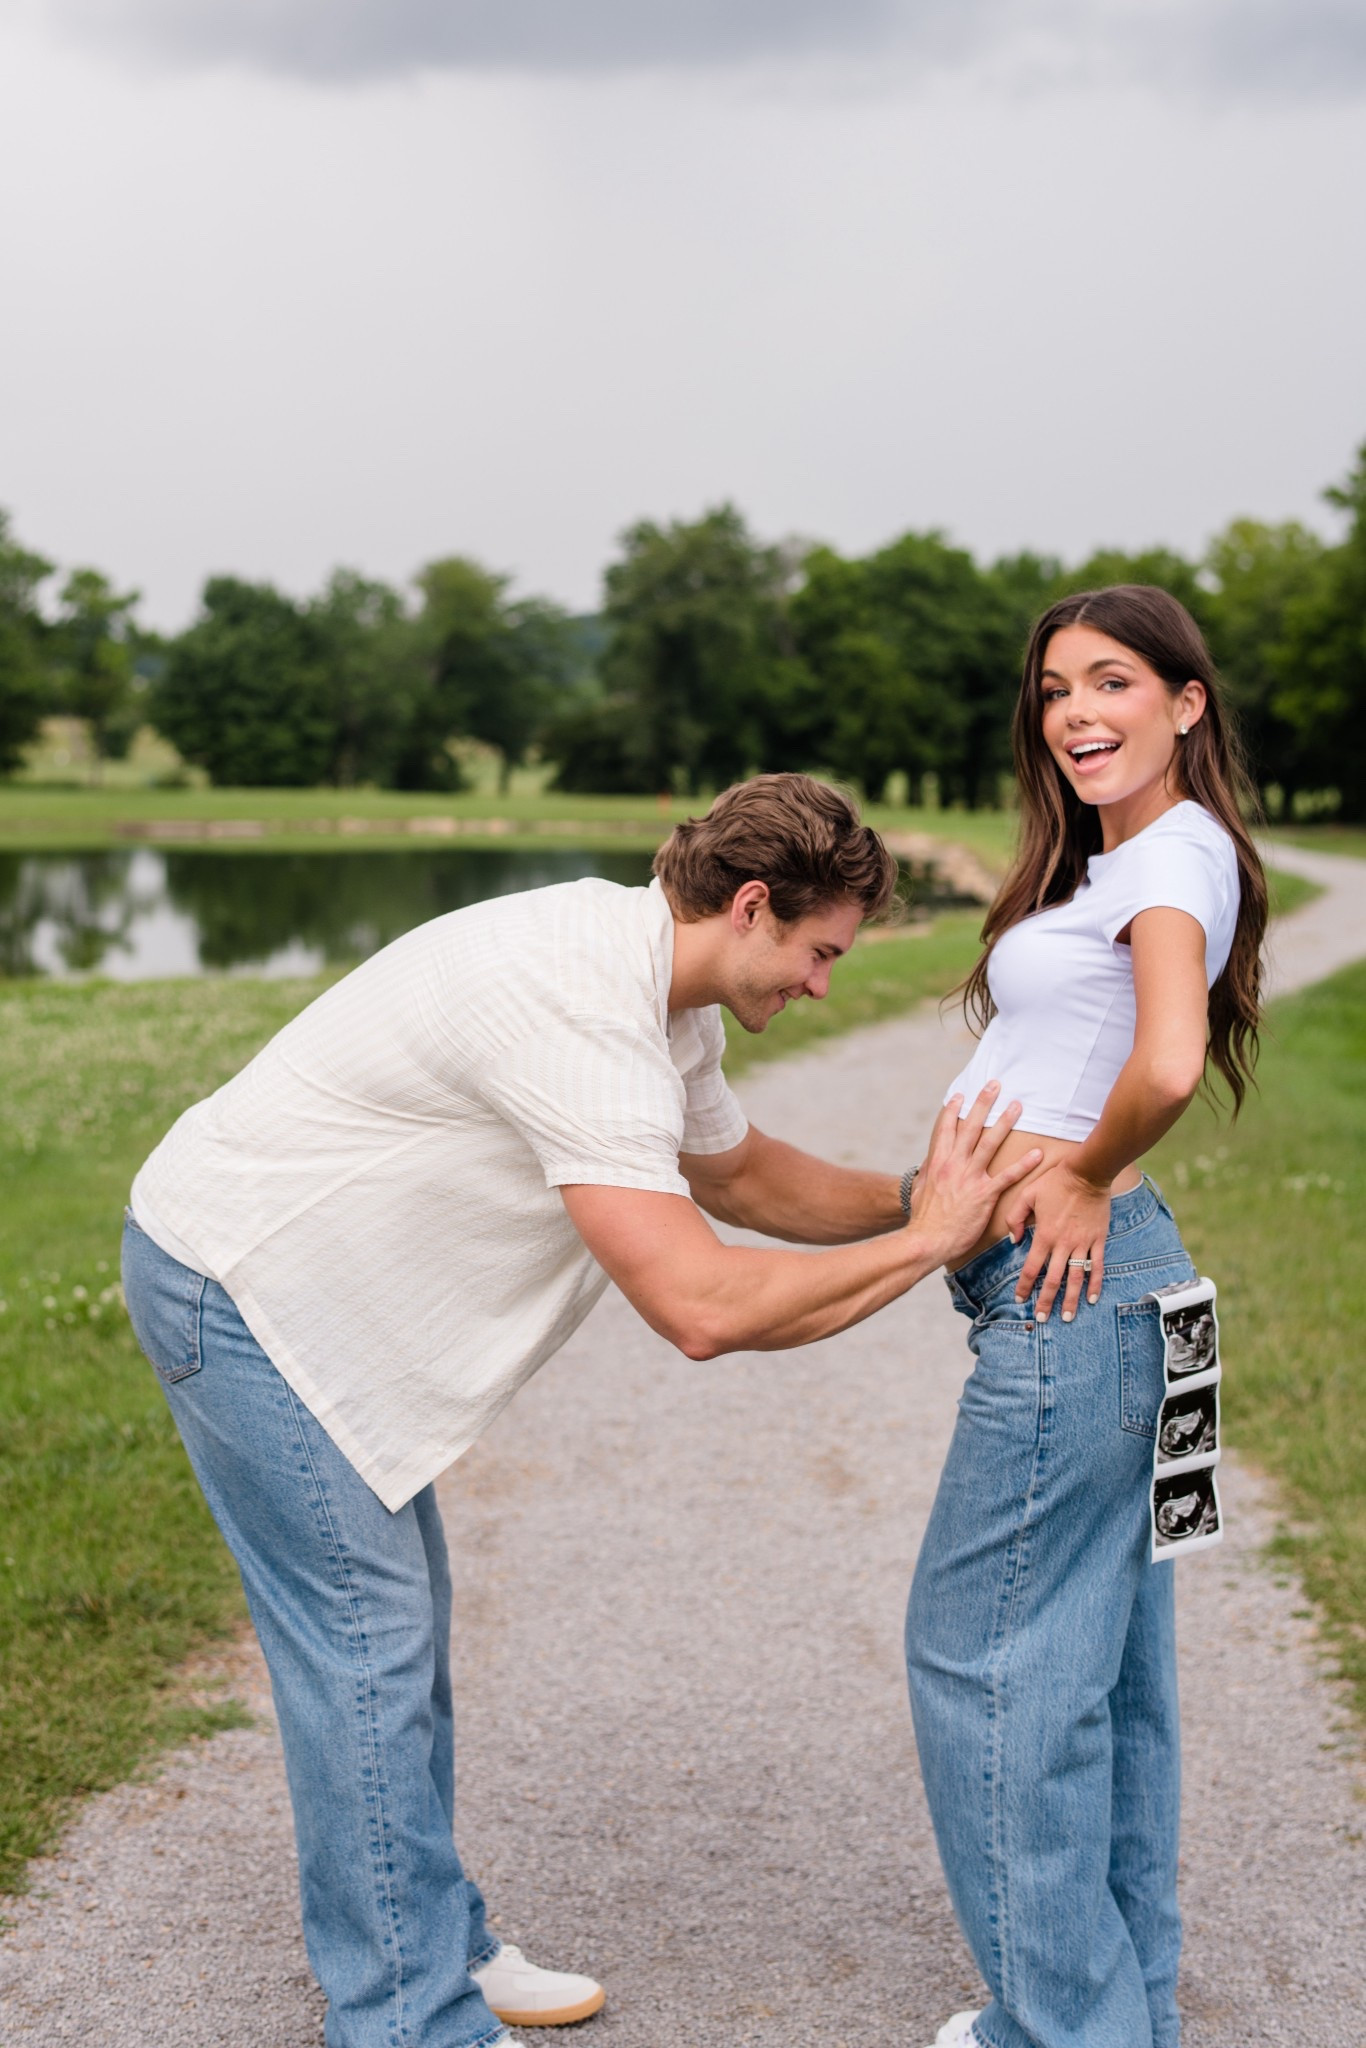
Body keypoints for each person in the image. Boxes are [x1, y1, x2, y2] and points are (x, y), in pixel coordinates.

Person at [121, 772, 1038, 2048]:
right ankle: (403, 2015)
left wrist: (928, 1200)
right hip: (241, 1283)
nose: (825, 983)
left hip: (313, 1307)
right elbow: (699, 1303)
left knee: (396, 1635)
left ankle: (428, 1942)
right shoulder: (581, 1004)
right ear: (755, 905)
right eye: (822, 952)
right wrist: (931, 1239)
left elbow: (742, 1177)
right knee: (366, 1649)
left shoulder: (661, 995)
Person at [905, 588, 1267, 2048]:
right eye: (1054, 688)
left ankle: (1065, 2027)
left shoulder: (1170, 858)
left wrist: (1086, 1172)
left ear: (1186, 703)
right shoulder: (1124, 860)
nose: (1073, 712)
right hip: (1144, 1299)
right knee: (1111, 1670)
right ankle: (1121, 2012)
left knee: (983, 1656)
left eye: (1111, 680)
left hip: (1090, 1289)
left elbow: (1167, 1062)